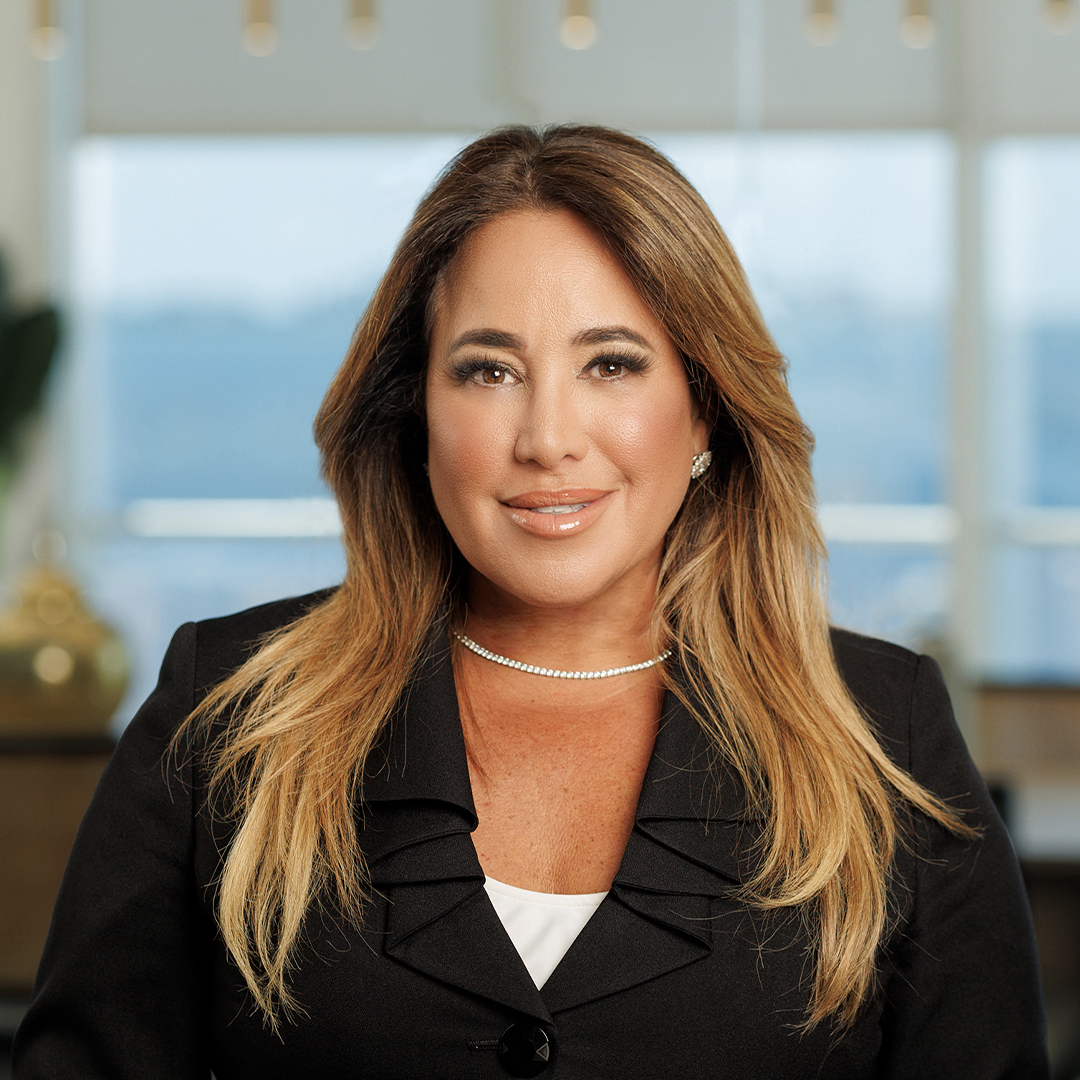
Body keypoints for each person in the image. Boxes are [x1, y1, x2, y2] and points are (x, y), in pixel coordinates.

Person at [14, 126, 1048, 1079]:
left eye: (611, 363)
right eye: (489, 369)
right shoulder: (227, 714)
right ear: (416, 410)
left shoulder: (886, 736)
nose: (547, 437)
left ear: (704, 415)